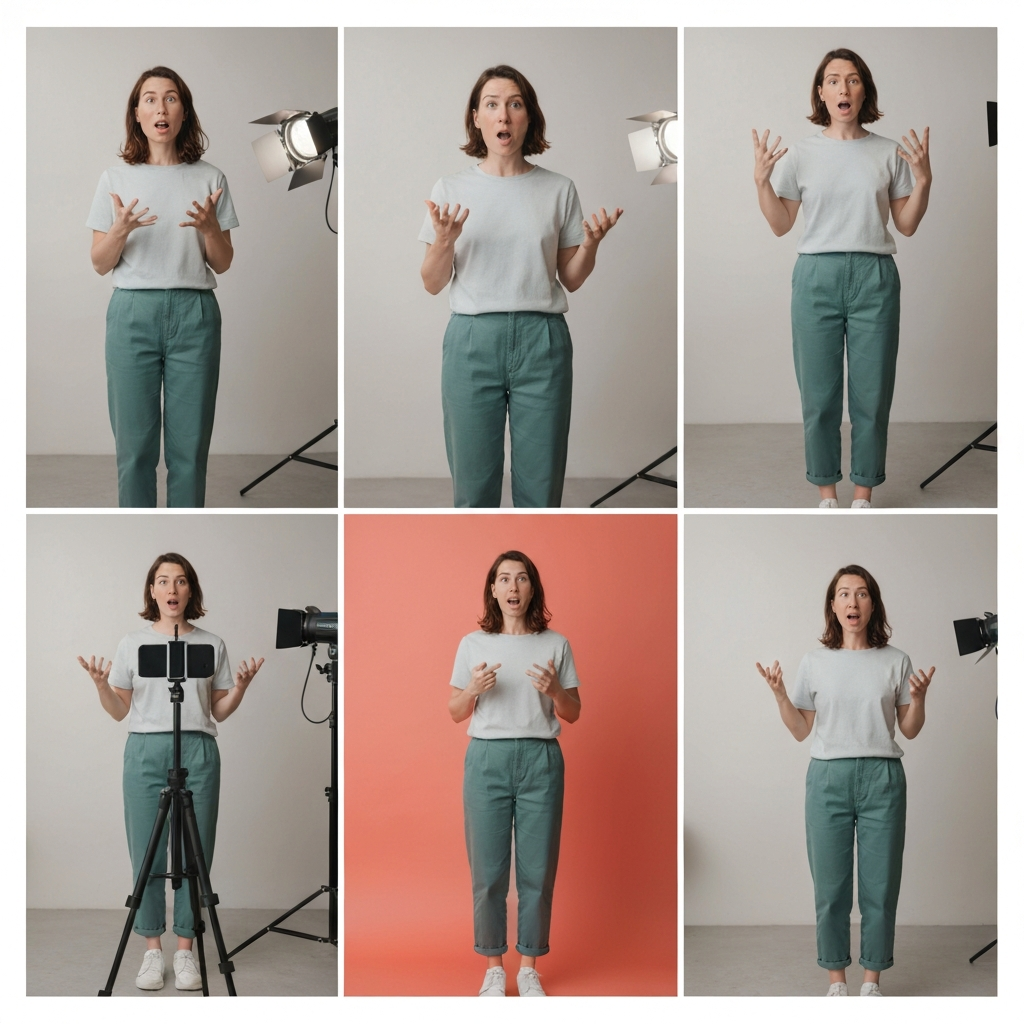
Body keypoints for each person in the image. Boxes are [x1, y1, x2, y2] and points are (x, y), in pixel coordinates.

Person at [420, 65, 622, 508]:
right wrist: (443, 241)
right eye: (491, 105)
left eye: (514, 104)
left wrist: (590, 245)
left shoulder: (558, 189)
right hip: (472, 341)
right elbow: (432, 282)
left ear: (529, 116)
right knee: (473, 487)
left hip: (542, 341)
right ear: (476, 117)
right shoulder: (450, 188)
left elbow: (571, 277)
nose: (503, 116)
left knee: (542, 485)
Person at [752, 48, 931, 508]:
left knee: (872, 394)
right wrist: (761, 183)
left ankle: (864, 492)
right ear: (821, 93)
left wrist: (923, 181)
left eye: (852, 80)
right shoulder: (801, 153)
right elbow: (780, 224)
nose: (843, 88)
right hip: (816, 276)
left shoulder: (888, 151)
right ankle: (827, 492)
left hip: (874, 275)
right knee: (819, 395)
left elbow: (906, 225)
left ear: (863, 90)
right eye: (833, 80)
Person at [78, 553, 263, 991]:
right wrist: (102, 686)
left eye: (180, 582)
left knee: (195, 852)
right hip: (144, 750)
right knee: (145, 851)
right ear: (151, 591)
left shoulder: (211, 643)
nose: (172, 590)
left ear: (191, 590)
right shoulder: (133, 643)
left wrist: (240, 689)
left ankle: (185, 951)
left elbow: (217, 709)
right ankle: (151, 951)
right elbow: (120, 711)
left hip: (197, 748)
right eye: (163, 581)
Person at [756, 565, 934, 996]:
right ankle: (837, 979)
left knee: (880, 886)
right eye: (843, 594)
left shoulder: (896, 660)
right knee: (831, 888)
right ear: (832, 606)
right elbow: (801, 731)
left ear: (873, 603)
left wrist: (920, 699)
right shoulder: (815, 662)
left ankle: (871, 980)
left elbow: (909, 729)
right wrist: (780, 695)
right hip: (828, 777)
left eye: (861, 594)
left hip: (883, 778)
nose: (852, 602)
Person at [87, 66, 239, 508]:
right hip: (132, 313)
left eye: (171, 98)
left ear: (184, 112)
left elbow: (224, 262)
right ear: (136, 113)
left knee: (189, 451)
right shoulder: (115, 180)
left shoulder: (211, 178)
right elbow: (99, 263)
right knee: (134, 450)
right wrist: (121, 230)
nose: (161, 107)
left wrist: (211, 228)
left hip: (195, 313)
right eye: (150, 99)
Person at [448, 551, 582, 996]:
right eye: (503, 579)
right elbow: (454, 712)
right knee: (487, 872)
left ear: (532, 588)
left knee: (538, 872)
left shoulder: (555, 644)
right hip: (486, 758)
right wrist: (472, 688)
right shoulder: (472, 644)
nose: (512, 587)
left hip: (541, 759)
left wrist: (556, 690)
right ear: (492, 588)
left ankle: (528, 966)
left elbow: (574, 712)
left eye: (521, 579)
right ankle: (493, 967)